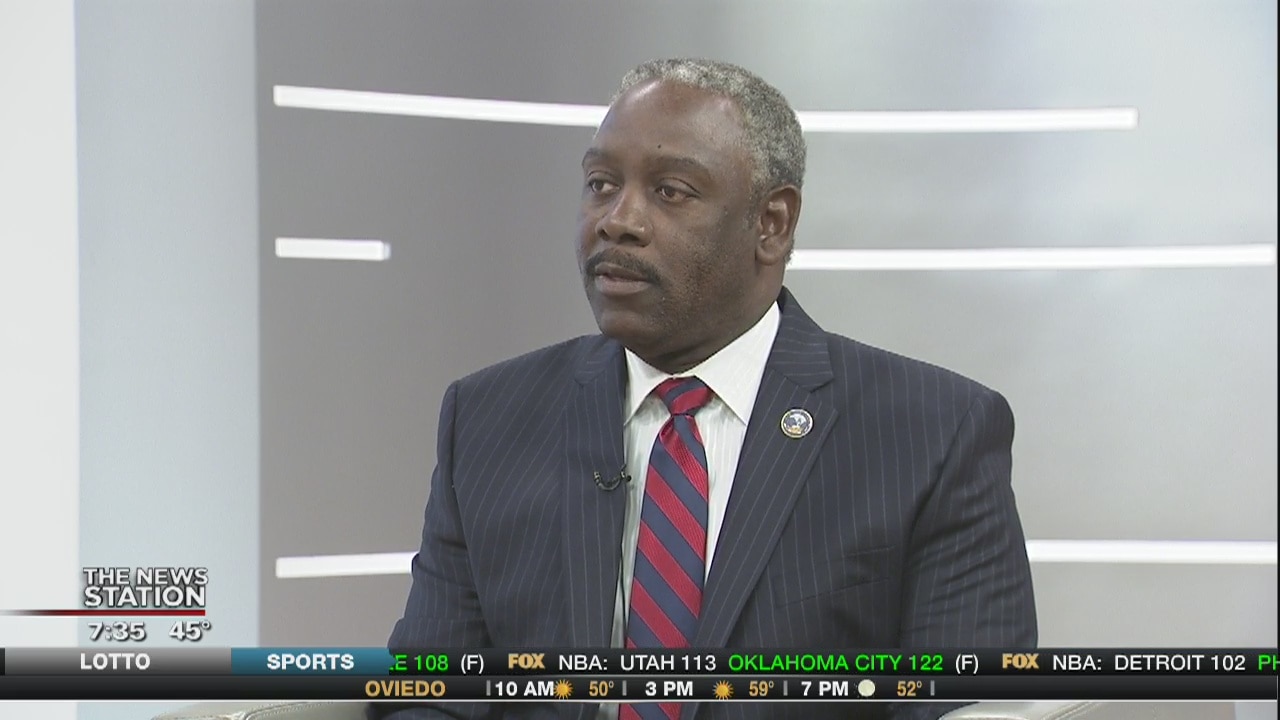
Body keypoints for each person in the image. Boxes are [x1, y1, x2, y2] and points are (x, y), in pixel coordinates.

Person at [374, 58, 1036, 720]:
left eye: (671, 191)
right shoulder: (489, 419)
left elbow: (962, 703)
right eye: (601, 184)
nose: (618, 220)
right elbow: (430, 695)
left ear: (771, 223)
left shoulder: (932, 435)